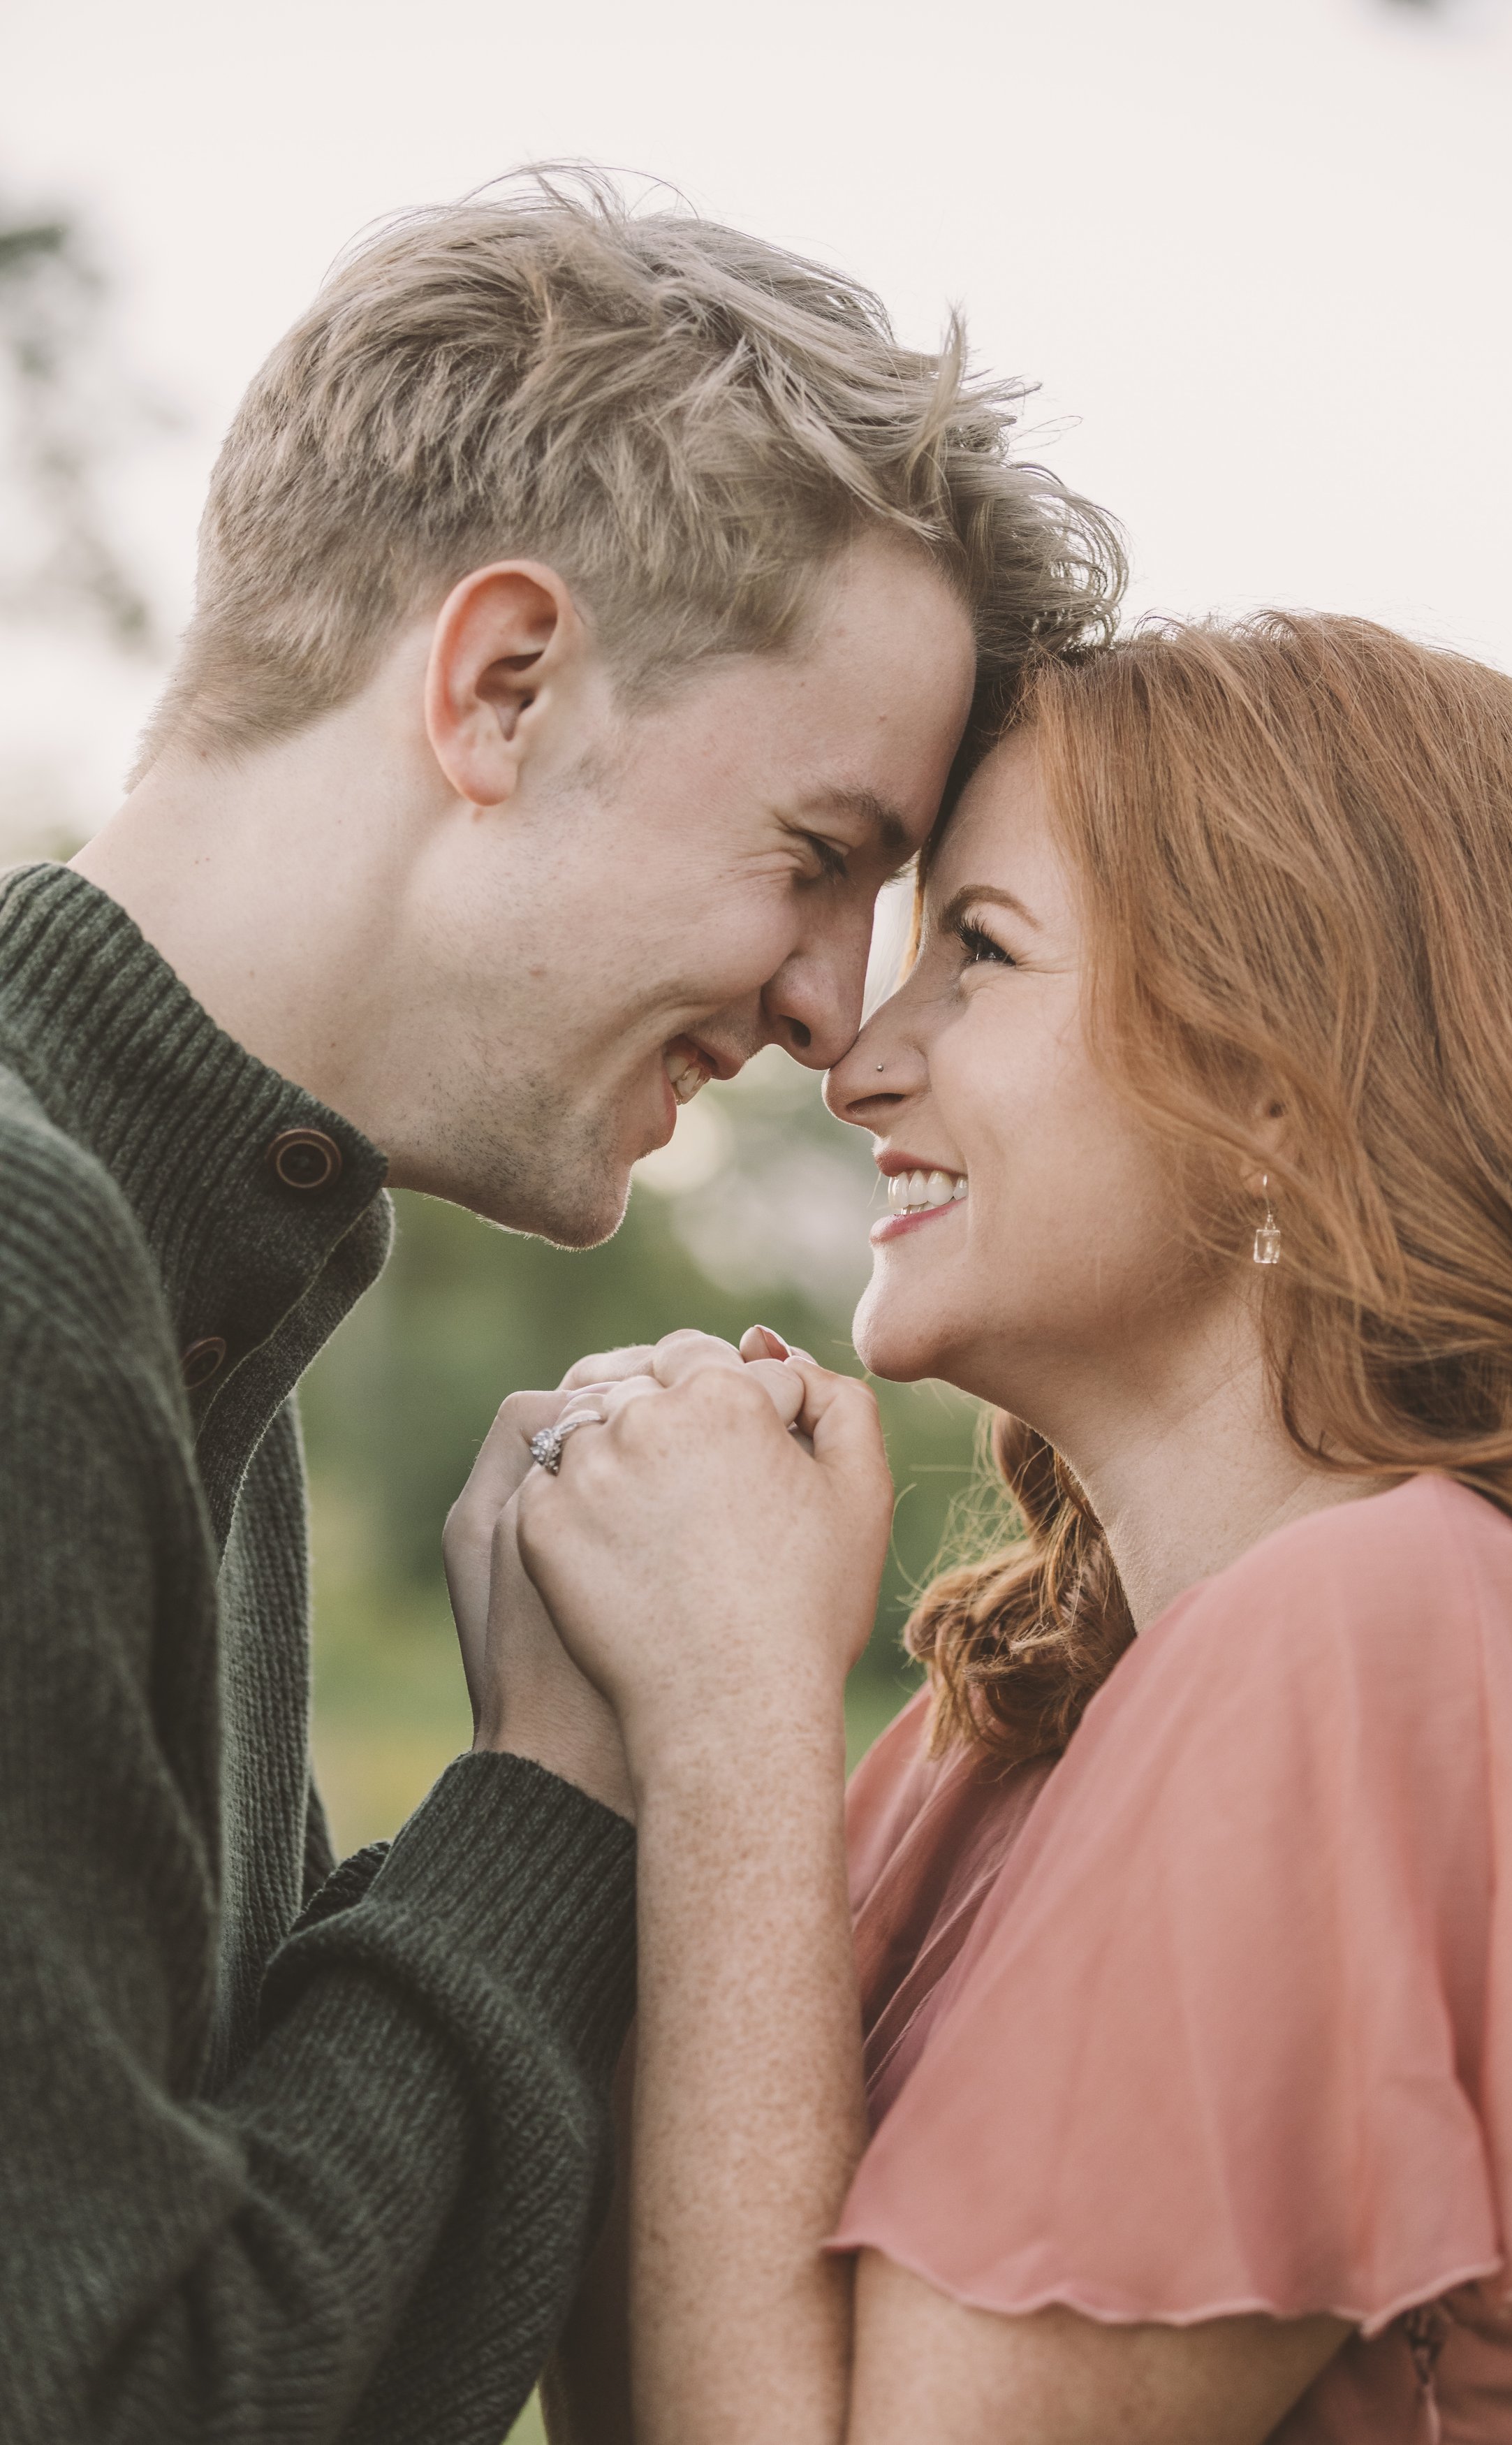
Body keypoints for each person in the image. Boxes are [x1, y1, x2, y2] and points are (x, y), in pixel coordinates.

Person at [0, 164, 1120, 2444]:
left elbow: (282, 2318)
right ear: (502, 684)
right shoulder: (31, 1285)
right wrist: (569, 1768)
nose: (832, 1012)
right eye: (819, 859)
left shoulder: (193, 1314)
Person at [512, 613, 1512, 2444]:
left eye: (977, 952)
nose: (853, 1058)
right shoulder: (1015, 1719)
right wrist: (609, 1725)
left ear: (1271, 1094)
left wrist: (732, 1713)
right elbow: (661, 2395)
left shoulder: (1387, 1637)